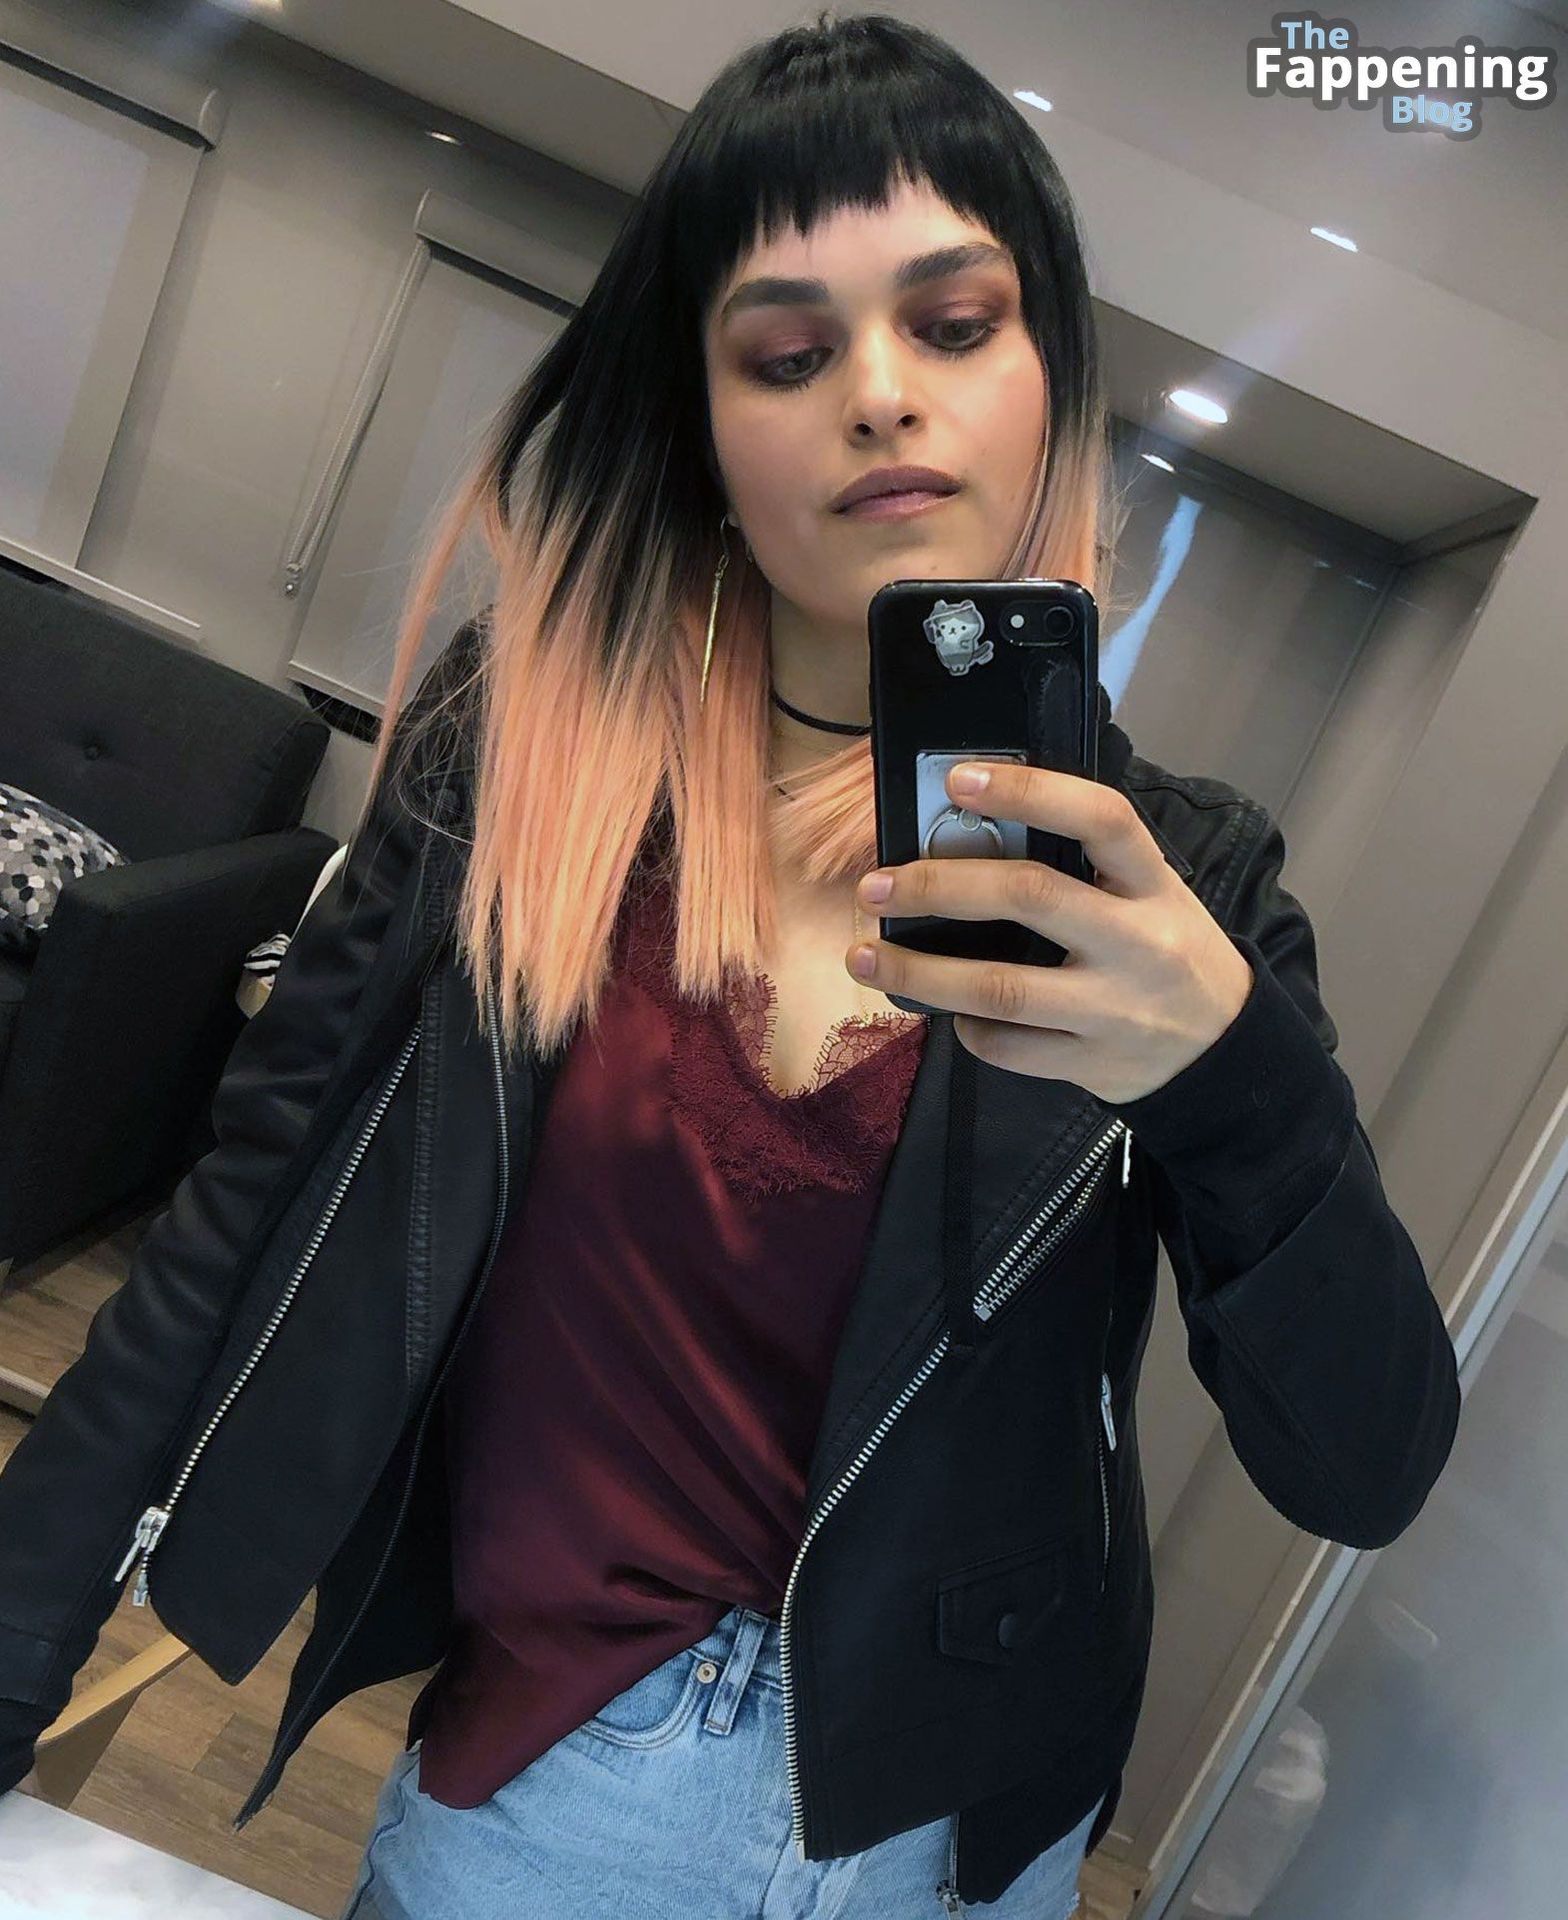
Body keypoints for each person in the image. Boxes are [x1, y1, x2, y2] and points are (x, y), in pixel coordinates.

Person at [0, 11, 1461, 1917]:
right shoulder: (519, 756)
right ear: (700, 423)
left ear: (1053, 381)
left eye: (956, 323)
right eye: (787, 352)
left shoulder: (1185, 882)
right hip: (549, 1789)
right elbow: (231, 1223)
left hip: (950, 1841)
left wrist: (1229, 1079)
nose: (882, 396)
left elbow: (1363, 1468)